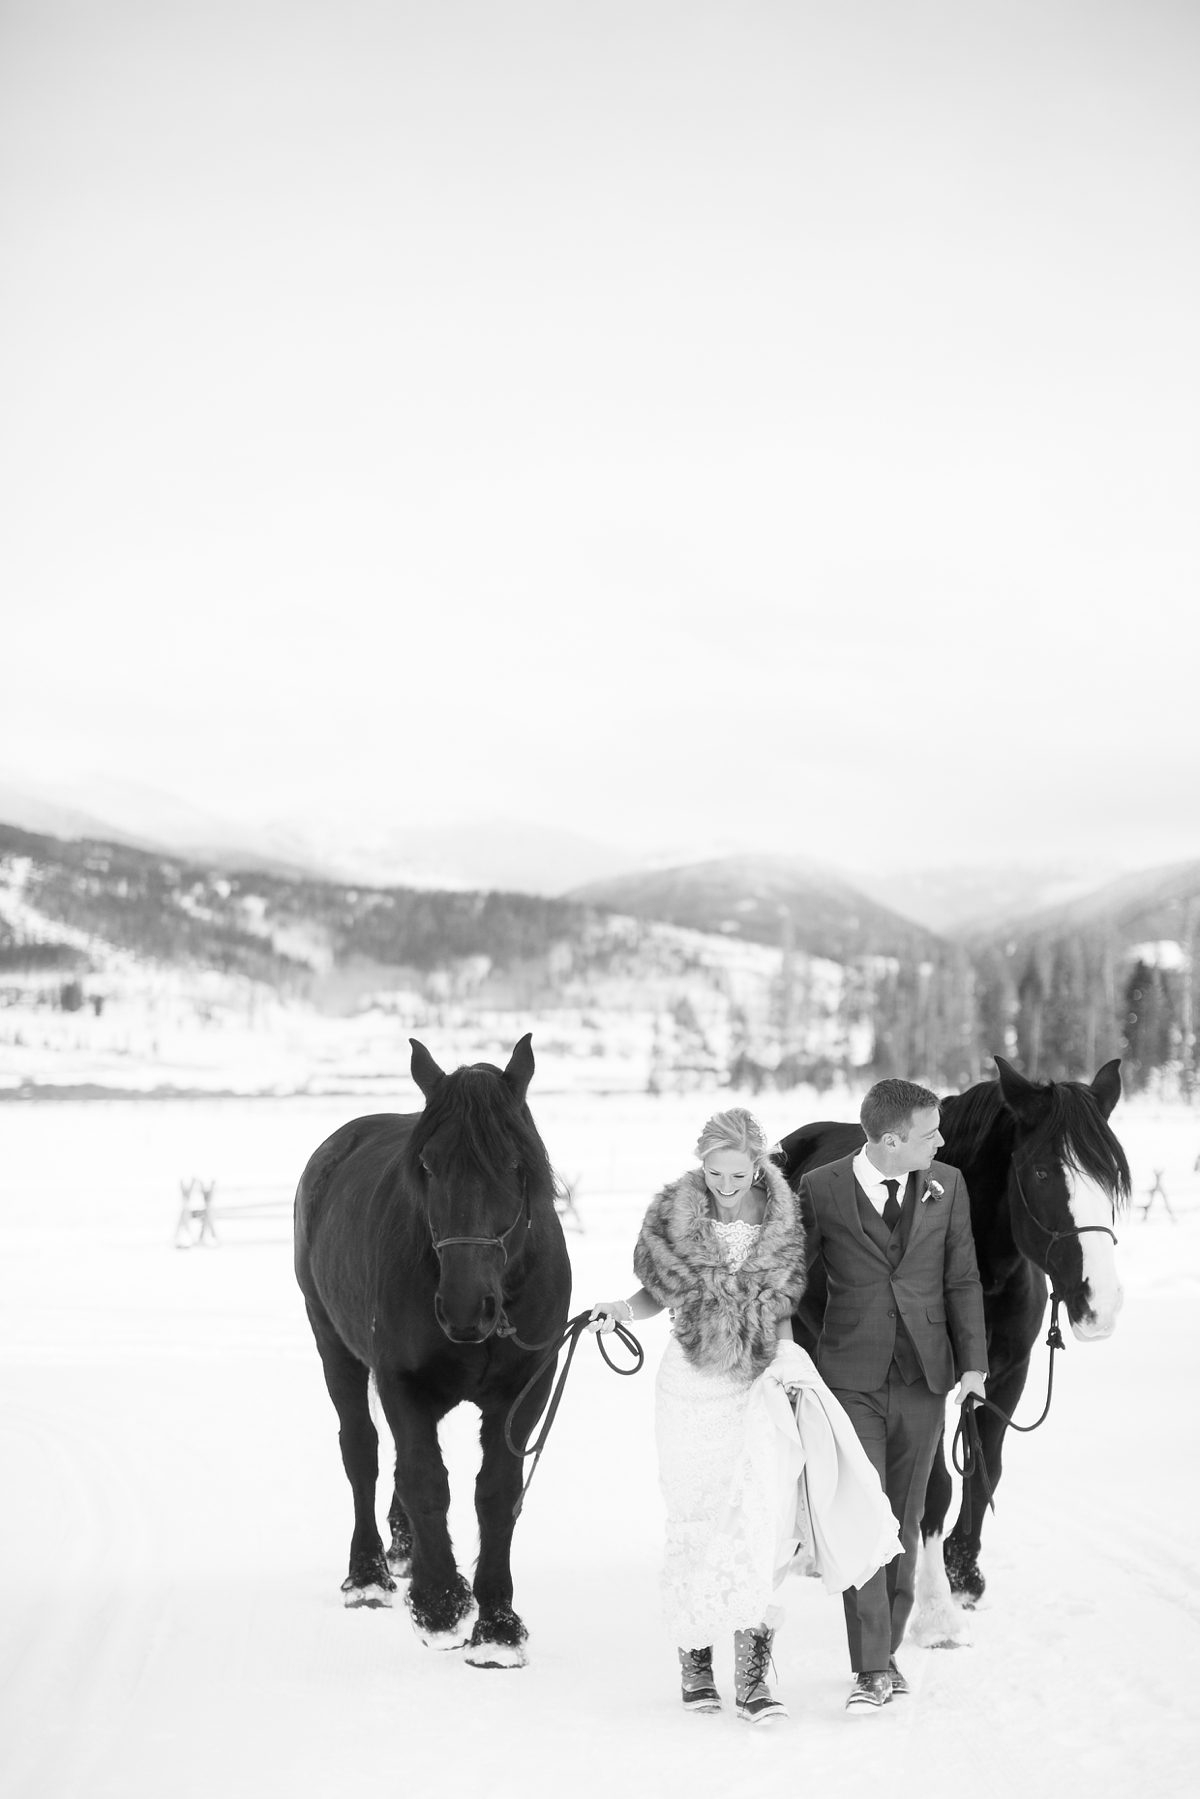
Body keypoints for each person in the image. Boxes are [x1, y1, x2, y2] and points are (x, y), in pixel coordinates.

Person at [589, 1107, 901, 1725]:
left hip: (752, 1385)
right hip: (689, 1385)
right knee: (696, 1520)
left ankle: (754, 1676)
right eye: (714, 1175)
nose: (725, 1187)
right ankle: (696, 1662)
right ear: (700, 1165)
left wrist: (785, 1358)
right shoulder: (673, 1213)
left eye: (737, 1175)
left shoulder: (781, 1218)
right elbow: (661, 1290)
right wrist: (621, 1308)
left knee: (759, 1521)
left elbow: (783, 1301)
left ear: (757, 1166)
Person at [794, 1078, 988, 1711]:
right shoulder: (821, 1189)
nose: (941, 1140)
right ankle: (871, 1666)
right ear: (889, 1140)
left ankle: (887, 1646)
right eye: (929, 1132)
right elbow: (795, 1282)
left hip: (924, 1377)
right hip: (849, 1375)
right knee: (862, 1516)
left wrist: (975, 1366)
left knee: (903, 1519)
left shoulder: (949, 1185)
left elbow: (961, 1278)